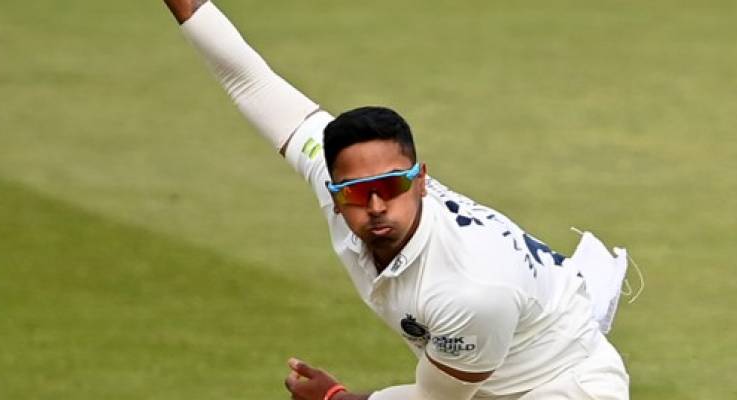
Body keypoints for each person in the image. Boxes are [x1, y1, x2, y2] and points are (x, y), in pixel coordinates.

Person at [158, 1, 633, 398]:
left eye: (391, 186)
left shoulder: (470, 288)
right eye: (355, 192)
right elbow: (250, 80)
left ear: (420, 180)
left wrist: (334, 397)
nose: (376, 205)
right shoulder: (339, 174)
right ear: (333, 191)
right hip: (488, 368)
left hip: (564, 386)